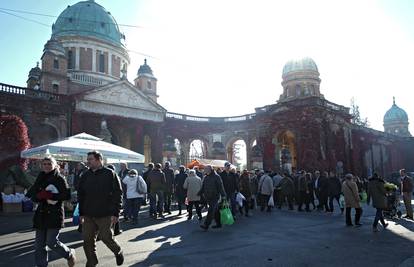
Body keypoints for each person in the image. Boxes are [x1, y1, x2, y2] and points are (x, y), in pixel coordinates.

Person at [26, 156, 75, 267]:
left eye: (49, 164)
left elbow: (66, 195)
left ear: (54, 165)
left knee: (51, 242)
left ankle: (69, 253)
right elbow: (33, 195)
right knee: (39, 245)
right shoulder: (40, 177)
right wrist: (39, 196)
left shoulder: (60, 178)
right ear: (42, 165)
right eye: (45, 164)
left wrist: (51, 195)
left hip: (55, 214)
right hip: (41, 214)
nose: (47, 166)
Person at [78, 151, 124, 266]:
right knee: (87, 240)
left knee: (106, 237)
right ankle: (92, 262)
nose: (88, 162)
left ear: (99, 160)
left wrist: (116, 213)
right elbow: (81, 194)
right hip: (88, 213)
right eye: (88, 159)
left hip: (105, 213)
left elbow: (118, 193)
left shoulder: (110, 173)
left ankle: (118, 251)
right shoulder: (85, 175)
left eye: (90, 159)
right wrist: (81, 212)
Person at [199, 165, 226, 230]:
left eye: (206, 169)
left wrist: (223, 195)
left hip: (215, 196)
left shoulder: (217, 176)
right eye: (205, 169)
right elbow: (203, 186)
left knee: (211, 210)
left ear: (210, 170)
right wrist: (199, 193)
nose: (205, 170)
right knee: (216, 211)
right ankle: (218, 224)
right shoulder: (205, 177)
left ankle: (206, 225)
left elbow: (220, 187)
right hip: (208, 197)